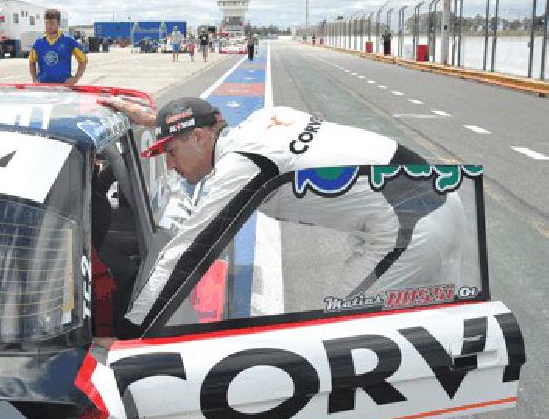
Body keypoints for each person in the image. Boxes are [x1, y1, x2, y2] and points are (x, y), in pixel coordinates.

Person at [98, 97, 464, 338]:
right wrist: (157, 120)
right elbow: (204, 119)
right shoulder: (265, 120)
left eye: (172, 151)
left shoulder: (239, 166)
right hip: (438, 196)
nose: (171, 165)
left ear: (197, 138)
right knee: (432, 334)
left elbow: (185, 258)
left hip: (411, 226)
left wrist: (130, 335)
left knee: (332, 338)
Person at [29, 9, 87, 86]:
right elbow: (31, 62)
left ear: (58, 23)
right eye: (47, 23)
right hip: (43, 88)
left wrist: (76, 78)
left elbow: (83, 60)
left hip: (64, 88)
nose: (49, 26)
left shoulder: (68, 41)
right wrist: (35, 79)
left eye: (52, 23)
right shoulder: (38, 43)